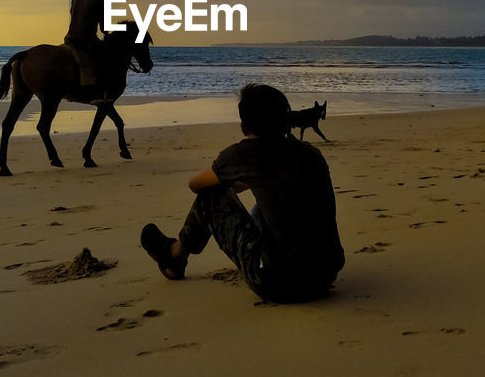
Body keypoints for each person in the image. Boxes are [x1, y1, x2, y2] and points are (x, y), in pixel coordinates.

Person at [140, 83, 345, 303]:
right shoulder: (311, 153)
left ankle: (175, 256)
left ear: (243, 126)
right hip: (323, 278)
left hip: (277, 283)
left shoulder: (242, 154)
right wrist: (252, 179)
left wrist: (232, 179)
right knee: (271, 204)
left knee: (211, 194)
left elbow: (195, 185)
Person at [64, 0, 108, 103]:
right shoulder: (99, 0)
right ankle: (97, 93)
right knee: (107, 58)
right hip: (86, 40)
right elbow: (104, 28)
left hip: (70, 38)